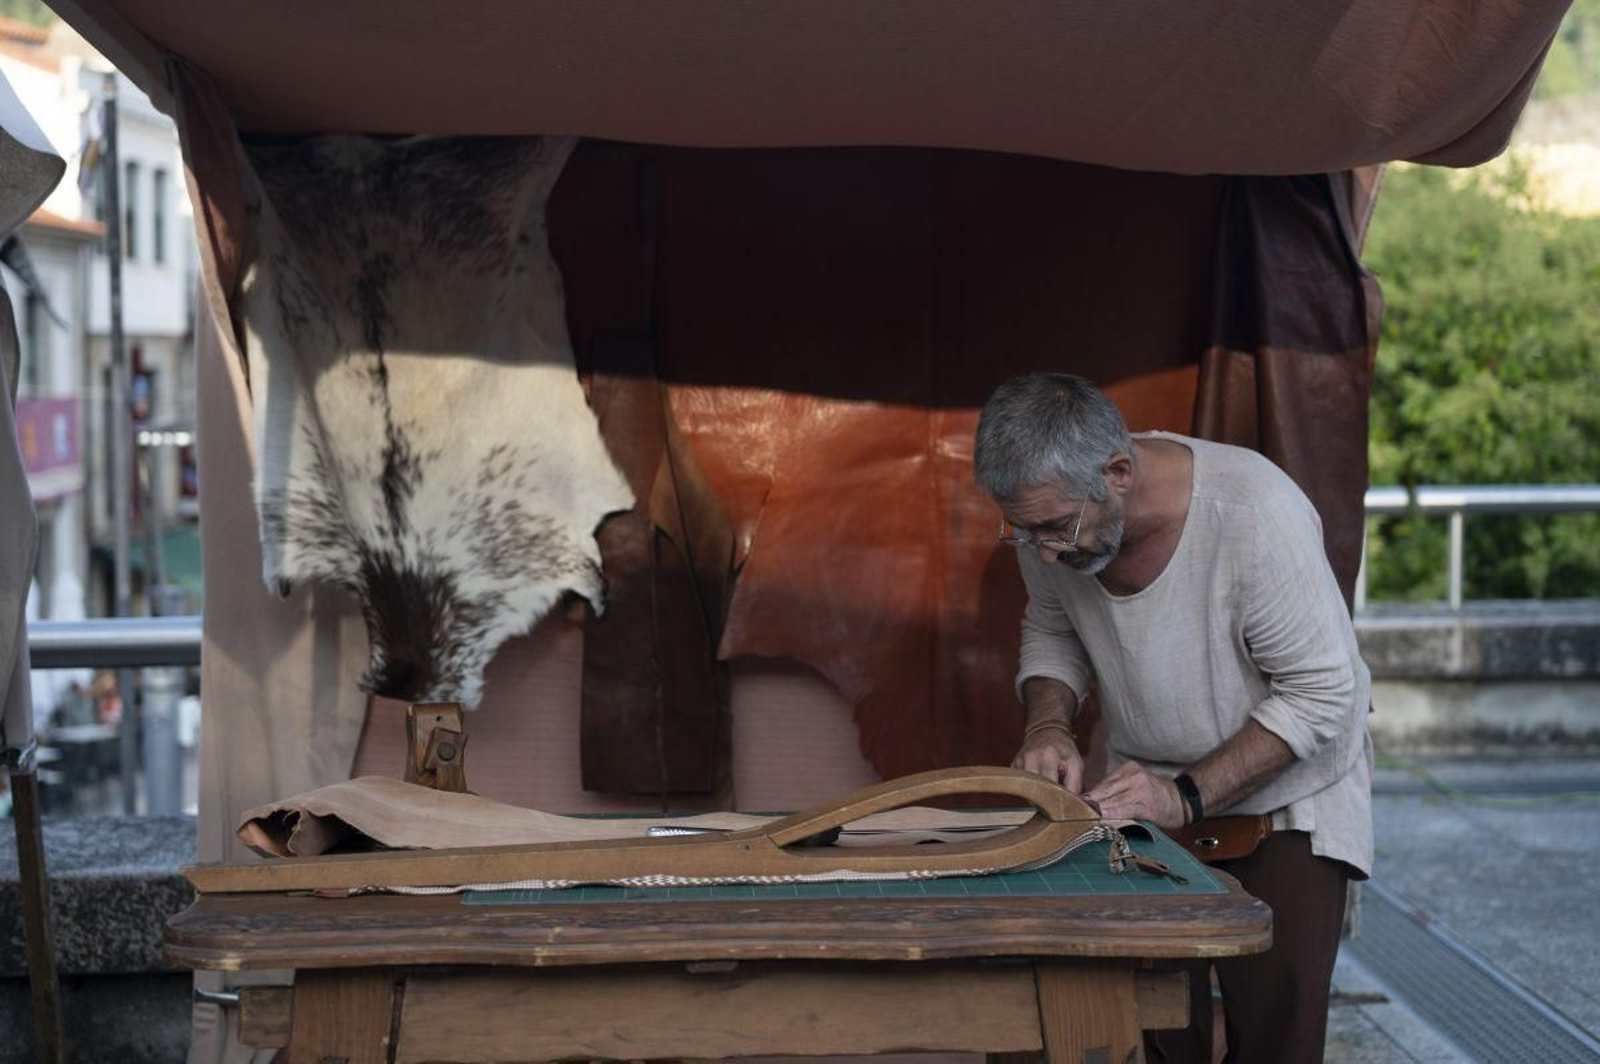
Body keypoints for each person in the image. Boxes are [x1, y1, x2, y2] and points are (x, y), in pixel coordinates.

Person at [973, 373, 1372, 1064]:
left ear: (1119, 471)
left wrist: (1185, 794)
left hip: (1286, 802)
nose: (1042, 551)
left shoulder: (1254, 513)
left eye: (1053, 528)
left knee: (1276, 1041)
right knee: (1148, 1034)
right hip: (1145, 805)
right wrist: (1048, 725)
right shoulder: (1057, 524)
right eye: (1022, 531)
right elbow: (1052, 632)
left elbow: (1321, 694)